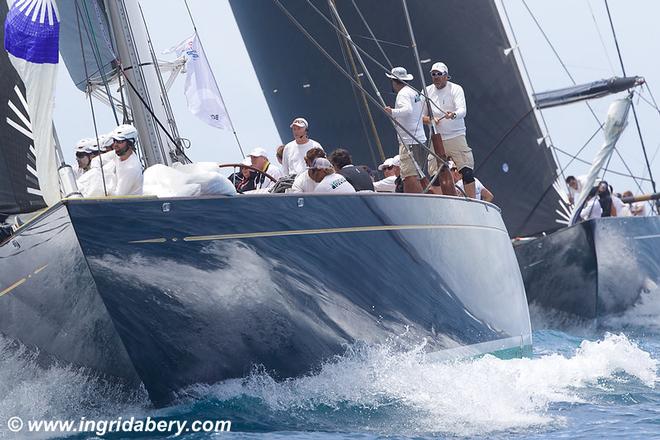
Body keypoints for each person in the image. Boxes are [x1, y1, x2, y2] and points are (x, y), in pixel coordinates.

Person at [422, 62, 477, 198]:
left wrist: (453, 115)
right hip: (437, 138)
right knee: (436, 177)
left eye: (439, 74)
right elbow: (421, 116)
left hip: (455, 135)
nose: (436, 77)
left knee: (467, 172)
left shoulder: (456, 89)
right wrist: (430, 120)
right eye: (433, 74)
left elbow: (462, 110)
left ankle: (472, 201)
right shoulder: (426, 91)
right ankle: (443, 205)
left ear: (446, 76)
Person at [384, 66, 426, 193]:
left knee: (408, 176)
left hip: (409, 141)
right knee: (414, 175)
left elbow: (407, 110)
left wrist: (392, 111)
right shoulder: (413, 92)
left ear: (393, 81)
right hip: (419, 139)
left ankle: (419, 204)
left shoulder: (402, 94)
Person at [107, 124, 144, 196]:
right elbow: (97, 161)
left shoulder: (131, 168)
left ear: (130, 143)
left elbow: (118, 196)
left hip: (128, 205)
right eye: (114, 141)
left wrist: (104, 186)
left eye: (119, 141)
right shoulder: (117, 154)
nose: (115, 145)